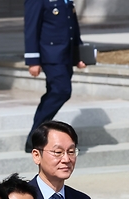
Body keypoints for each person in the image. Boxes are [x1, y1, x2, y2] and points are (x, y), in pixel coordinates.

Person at [24, 0, 85, 151]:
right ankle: (35, 135)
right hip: (50, 55)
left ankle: (38, 135)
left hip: (66, 54)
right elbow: (31, 28)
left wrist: (79, 54)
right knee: (61, 91)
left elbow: (73, 26)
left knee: (55, 92)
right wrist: (33, 60)